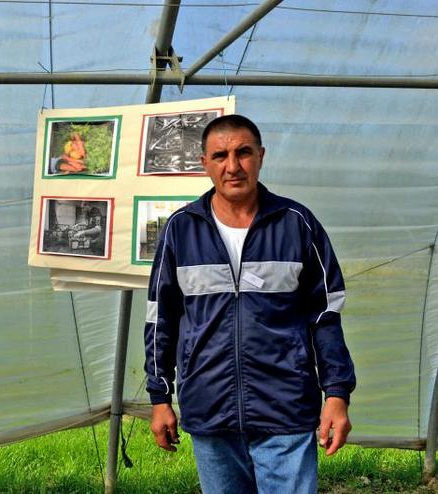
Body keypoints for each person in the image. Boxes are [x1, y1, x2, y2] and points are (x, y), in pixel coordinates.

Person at [144, 114, 355, 494]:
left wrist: (337, 395)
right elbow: (161, 321)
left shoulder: (297, 223)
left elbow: (325, 315)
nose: (233, 166)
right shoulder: (181, 229)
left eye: (243, 153)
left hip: (286, 408)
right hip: (210, 408)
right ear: (204, 163)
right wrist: (160, 398)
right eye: (220, 155)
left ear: (261, 156)